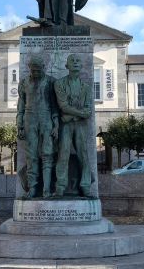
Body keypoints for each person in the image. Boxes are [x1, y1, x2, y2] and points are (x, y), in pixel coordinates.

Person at [17, 56, 59, 198]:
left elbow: (55, 106)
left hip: (46, 117)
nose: (35, 73)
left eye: (38, 70)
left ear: (43, 67)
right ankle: (33, 188)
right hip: (29, 118)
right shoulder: (23, 83)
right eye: (33, 70)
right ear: (29, 69)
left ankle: (47, 189)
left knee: (47, 154)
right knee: (31, 156)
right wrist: (20, 125)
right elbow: (21, 106)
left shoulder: (51, 82)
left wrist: (56, 125)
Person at [54, 54, 92, 197]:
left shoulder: (86, 88)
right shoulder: (59, 84)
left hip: (79, 125)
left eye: (78, 61)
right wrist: (78, 113)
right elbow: (63, 106)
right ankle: (60, 186)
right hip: (66, 126)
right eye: (72, 61)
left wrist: (71, 115)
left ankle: (86, 185)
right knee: (63, 155)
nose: (75, 63)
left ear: (81, 66)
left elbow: (88, 111)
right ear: (67, 66)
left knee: (84, 155)